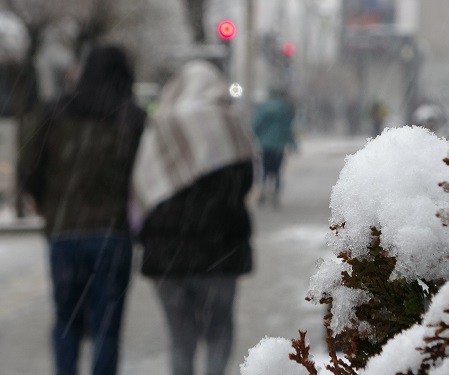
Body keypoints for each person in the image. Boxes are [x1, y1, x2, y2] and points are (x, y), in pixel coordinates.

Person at [18, 45, 145, 375]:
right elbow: (145, 177)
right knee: (107, 326)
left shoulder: (54, 112)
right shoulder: (132, 117)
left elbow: (28, 167)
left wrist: (47, 201)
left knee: (66, 320)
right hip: (113, 235)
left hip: (65, 233)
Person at [130, 60, 256, 375]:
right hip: (220, 249)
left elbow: (143, 184)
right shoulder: (229, 121)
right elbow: (247, 180)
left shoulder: (161, 125)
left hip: (166, 254)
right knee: (219, 332)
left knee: (180, 339)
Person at [251, 87, 296, 207]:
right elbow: (288, 127)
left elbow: (256, 125)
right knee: (276, 171)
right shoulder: (283, 108)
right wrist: (293, 143)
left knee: (265, 170)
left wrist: (251, 137)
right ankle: (275, 194)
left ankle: (263, 191)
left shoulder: (263, 107)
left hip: (265, 145)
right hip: (279, 145)